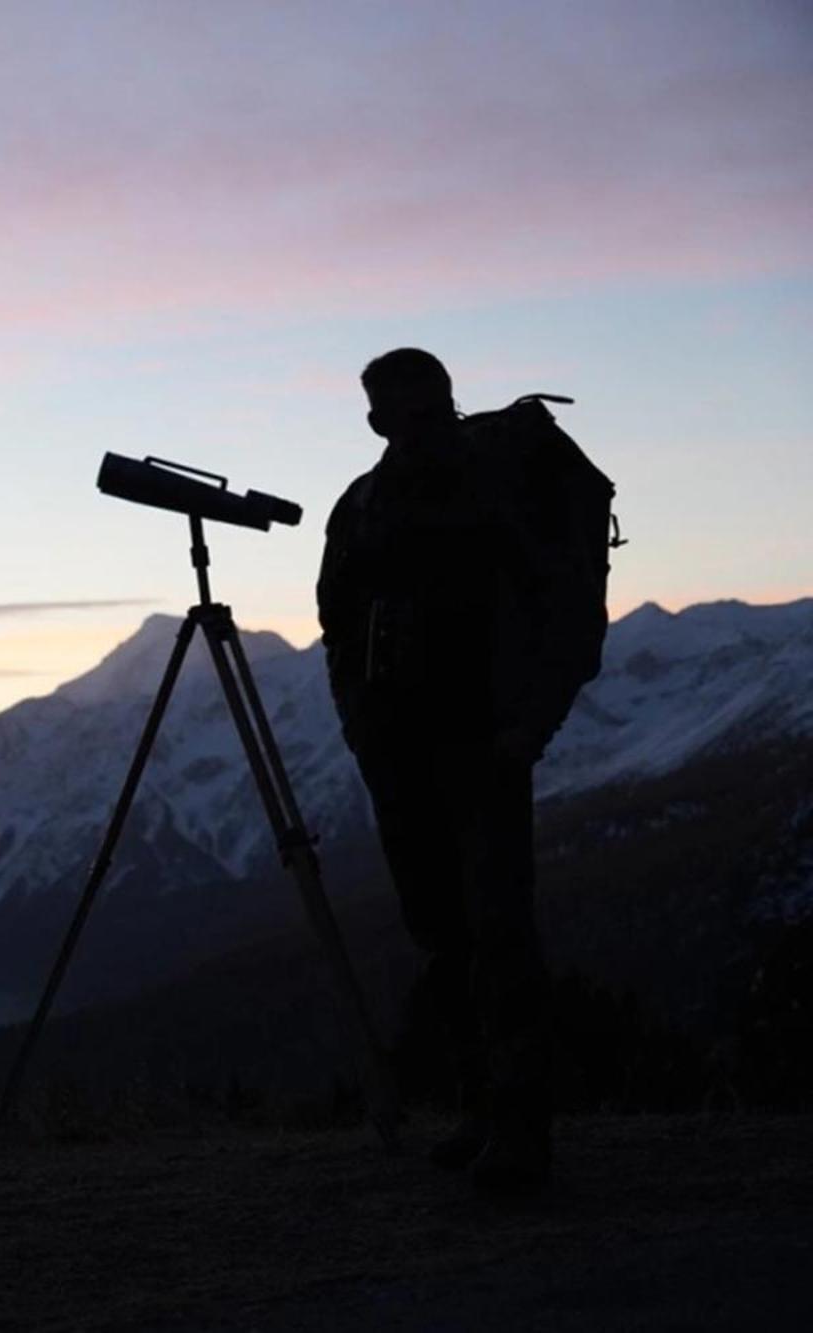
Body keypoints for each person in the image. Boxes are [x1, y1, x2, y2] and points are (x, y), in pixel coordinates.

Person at [317, 348, 564, 1196]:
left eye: (434, 410)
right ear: (378, 419)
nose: (422, 427)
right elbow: (338, 623)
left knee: (498, 929)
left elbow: (549, 605)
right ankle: (480, 1107)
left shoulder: (492, 493)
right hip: (400, 748)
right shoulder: (359, 509)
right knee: (442, 932)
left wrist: (524, 725)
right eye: (406, 414)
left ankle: (522, 1123)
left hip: (480, 743)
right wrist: (360, 722)